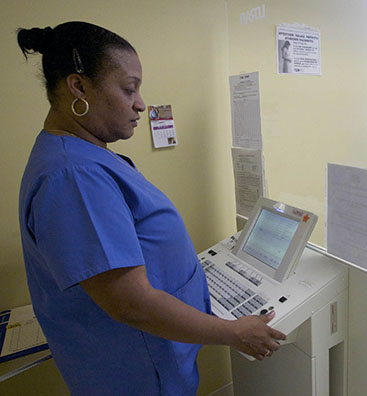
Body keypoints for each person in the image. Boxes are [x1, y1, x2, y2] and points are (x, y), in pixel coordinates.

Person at [17, 22, 286, 396]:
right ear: (78, 87)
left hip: (148, 358)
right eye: (129, 89)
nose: (141, 103)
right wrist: (234, 332)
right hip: (137, 371)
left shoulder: (81, 155)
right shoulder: (73, 176)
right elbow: (132, 304)